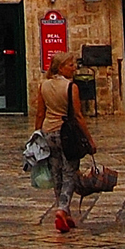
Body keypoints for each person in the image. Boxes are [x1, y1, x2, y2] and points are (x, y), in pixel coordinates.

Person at [34, 51, 89, 233]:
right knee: (70, 171)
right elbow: (78, 115)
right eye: (71, 65)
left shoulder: (43, 85)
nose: (74, 68)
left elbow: (40, 113)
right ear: (61, 67)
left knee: (56, 172)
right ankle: (62, 209)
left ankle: (65, 212)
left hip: (48, 131)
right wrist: (88, 139)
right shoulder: (71, 87)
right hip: (67, 134)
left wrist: (37, 134)